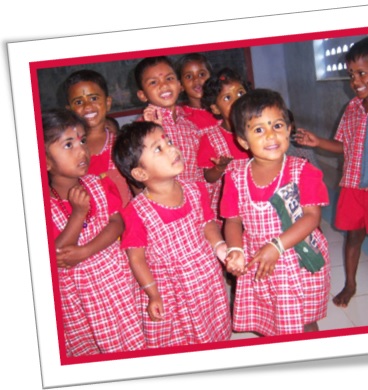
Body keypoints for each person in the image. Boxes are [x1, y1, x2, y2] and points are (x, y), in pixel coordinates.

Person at [294, 36, 368, 308]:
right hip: (352, 186)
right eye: (351, 74)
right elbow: (343, 145)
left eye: (362, 73)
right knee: (354, 236)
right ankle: (350, 284)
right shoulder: (352, 107)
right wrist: (318, 142)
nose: (355, 80)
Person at [220, 89, 331, 335]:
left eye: (277, 125)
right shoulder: (235, 175)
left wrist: (277, 246)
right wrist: (236, 250)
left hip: (295, 256)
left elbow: (312, 217)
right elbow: (233, 219)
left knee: (304, 318)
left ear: (289, 129)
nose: (271, 135)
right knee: (271, 318)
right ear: (243, 141)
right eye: (259, 129)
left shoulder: (303, 171)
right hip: (259, 259)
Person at [112, 120, 232, 347]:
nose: (172, 149)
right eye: (158, 148)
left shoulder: (195, 189)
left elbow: (207, 223)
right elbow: (136, 258)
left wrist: (219, 247)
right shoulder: (137, 212)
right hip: (170, 286)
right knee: (180, 337)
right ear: (140, 172)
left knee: (211, 324)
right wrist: (152, 293)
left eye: (168, 141)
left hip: (204, 275)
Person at [43, 108, 145, 357]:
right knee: (93, 345)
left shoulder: (97, 183)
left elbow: (117, 222)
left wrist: (86, 250)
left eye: (82, 141)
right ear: (44, 160)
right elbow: (57, 254)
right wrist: (78, 215)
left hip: (115, 278)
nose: (82, 150)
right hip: (81, 292)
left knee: (129, 333)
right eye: (69, 144)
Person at [63, 69, 132, 207]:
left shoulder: (123, 144)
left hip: (129, 223)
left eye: (93, 98)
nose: (87, 106)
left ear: (108, 103)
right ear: (69, 110)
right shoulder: (65, 151)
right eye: (78, 102)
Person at [134, 56, 205, 183]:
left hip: (196, 197)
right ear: (142, 95)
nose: (164, 85)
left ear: (179, 85)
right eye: (153, 82)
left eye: (169, 78)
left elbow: (200, 171)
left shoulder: (190, 125)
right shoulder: (140, 129)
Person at [198, 67, 252, 217]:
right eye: (227, 98)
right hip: (228, 207)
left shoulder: (257, 130)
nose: (237, 100)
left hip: (256, 199)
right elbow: (208, 177)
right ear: (215, 109)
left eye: (240, 93)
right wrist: (219, 168)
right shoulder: (210, 138)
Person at [175, 52, 218, 130]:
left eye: (201, 74)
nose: (196, 79)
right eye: (189, 76)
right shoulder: (180, 116)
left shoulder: (221, 107)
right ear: (181, 85)